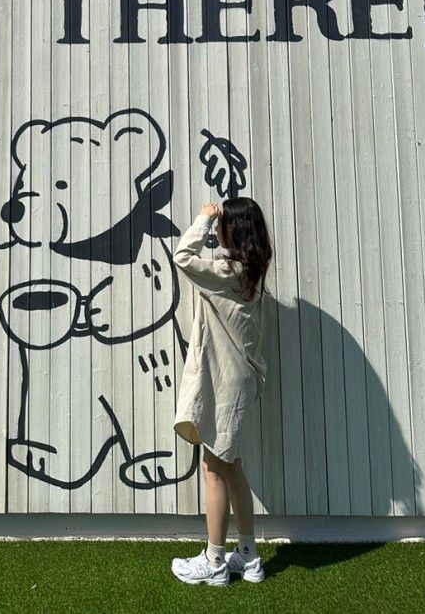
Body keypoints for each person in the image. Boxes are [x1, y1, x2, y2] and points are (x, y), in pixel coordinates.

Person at [170, 197, 272, 587]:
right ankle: (248, 556)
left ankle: (214, 561)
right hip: (238, 383)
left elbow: (183, 256)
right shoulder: (251, 271)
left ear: (233, 229)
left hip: (225, 384)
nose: (217, 229)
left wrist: (202, 219)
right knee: (232, 468)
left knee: (214, 470)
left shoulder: (226, 271)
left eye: (223, 224)